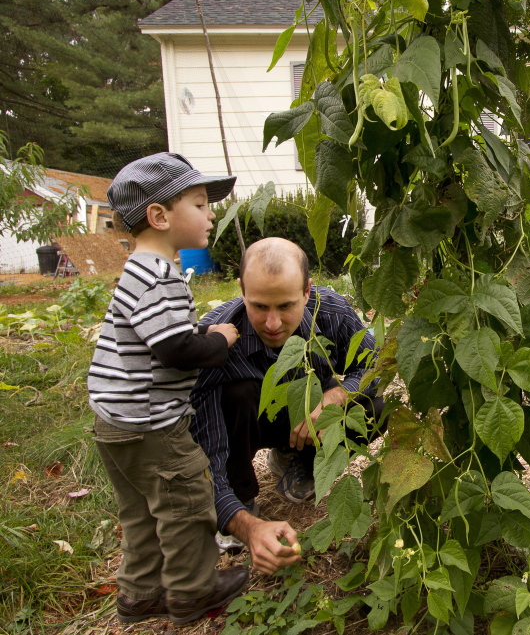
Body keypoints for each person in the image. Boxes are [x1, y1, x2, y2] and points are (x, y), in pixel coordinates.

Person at [88, 153, 249, 625]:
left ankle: (140, 593)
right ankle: (191, 591)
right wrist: (217, 340)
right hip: (150, 424)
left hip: (115, 423)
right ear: (159, 216)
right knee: (185, 503)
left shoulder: (138, 272)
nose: (211, 213)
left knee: (140, 511)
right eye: (199, 204)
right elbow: (176, 350)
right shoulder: (160, 277)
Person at [191, 237, 380, 574]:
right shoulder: (213, 336)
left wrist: (335, 396)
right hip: (249, 420)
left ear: (307, 291)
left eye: (286, 306)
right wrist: (239, 522)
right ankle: (242, 494)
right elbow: (200, 446)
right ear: (241, 290)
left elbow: (373, 364)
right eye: (260, 307)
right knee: (235, 392)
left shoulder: (332, 311)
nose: (273, 323)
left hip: (310, 416)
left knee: (373, 408)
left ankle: (302, 462)